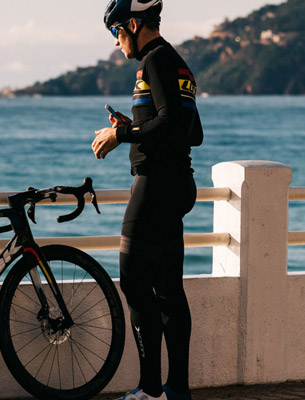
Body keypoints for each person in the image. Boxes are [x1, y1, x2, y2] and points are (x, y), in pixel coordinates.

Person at [92, 1, 203, 399]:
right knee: (169, 291)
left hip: (155, 186)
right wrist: (134, 125)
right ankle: (177, 392)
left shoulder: (154, 60)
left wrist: (121, 135)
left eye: (116, 32)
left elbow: (172, 124)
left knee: (135, 286)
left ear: (135, 24)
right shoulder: (177, 63)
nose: (116, 42)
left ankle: (150, 391)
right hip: (177, 185)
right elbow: (193, 133)